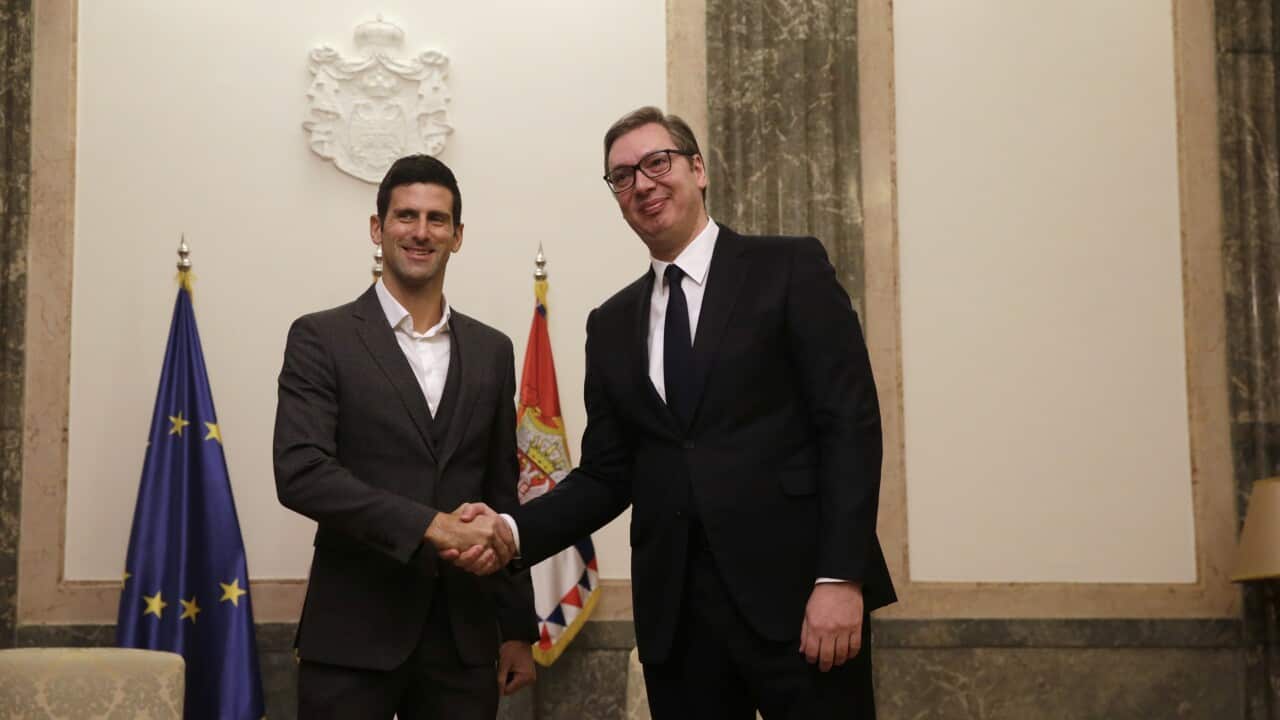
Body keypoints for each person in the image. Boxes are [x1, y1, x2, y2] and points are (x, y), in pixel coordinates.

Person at [450, 106, 896, 718]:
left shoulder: (788, 268)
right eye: (622, 176)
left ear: (698, 168)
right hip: (680, 626)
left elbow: (849, 425)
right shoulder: (609, 325)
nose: (643, 183)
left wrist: (840, 577)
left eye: (657, 162)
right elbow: (607, 475)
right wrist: (510, 530)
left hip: (801, 605)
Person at [273, 154, 536, 719]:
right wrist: (430, 526)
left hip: (464, 640)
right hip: (352, 636)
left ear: (458, 236)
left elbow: (502, 490)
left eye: (437, 219)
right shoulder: (322, 338)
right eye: (406, 216)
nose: (421, 232)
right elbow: (302, 473)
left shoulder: (493, 350)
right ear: (378, 227)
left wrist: (516, 628)